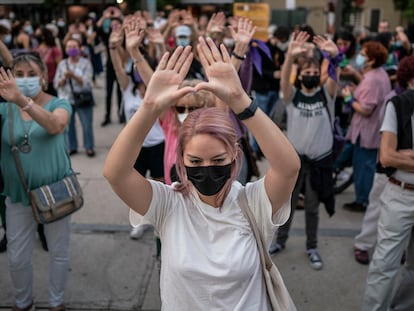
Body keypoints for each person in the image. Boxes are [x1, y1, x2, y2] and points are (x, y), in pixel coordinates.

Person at [103, 37, 300, 309]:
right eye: (195, 161)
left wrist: (241, 100)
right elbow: (116, 173)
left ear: (234, 155)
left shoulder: (252, 202)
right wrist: (150, 106)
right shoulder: (168, 204)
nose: (206, 169)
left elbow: (289, 167)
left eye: (217, 159)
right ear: (181, 160)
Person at [0, 52, 73, 311]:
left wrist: (22, 100)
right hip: (18, 196)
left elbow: (55, 126)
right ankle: (23, 302)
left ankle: (56, 302)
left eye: (31, 74)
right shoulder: (3, 110)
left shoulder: (59, 103)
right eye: (18, 75)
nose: (25, 80)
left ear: (44, 76)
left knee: (59, 251)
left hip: (55, 195)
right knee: (17, 257)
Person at [268, 31, 340, 270]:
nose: (309, 76)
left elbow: (333, 77)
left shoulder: (326, 96)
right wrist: (289, 55)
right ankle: (280, 241)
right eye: (305, 73)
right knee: (285, 205)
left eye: (313, 73)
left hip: (318, 163)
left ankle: (312, 246)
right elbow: (284, 79)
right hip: (294, 163)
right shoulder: (292, 96)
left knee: (312, 207)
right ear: (299, 77)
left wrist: (335, 58)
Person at [353, 55, 414, 265]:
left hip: (399, 167)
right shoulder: (394, 99)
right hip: (386, 167)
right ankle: (363, 244)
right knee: (376, 207)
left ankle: (395, 249)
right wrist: (400, 153)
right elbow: (386, 140)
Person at [108, 18, 165, 239]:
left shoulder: (157, 89)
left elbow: (162, 67)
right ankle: (139, 222)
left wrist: (158, 45)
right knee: (136, 187)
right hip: (136, 147)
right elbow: (116, 67)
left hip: (159, 145)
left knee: (161, 186)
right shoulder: (128, 88)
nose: (136, 72)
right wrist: (114, 46)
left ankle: (161, 223)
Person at [362, 73, 414, 311]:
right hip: (401, 193)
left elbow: (395, 155)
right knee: (385, 263)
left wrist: (405, 156)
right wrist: (398, 156)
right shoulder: (399, 104)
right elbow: (387, 157)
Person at [342, 41, 391, 212]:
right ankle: (363, 198)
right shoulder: (379, 74)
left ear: (371, 60)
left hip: (366, 131)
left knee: (363, 167)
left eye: (363, 54)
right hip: (372, 130)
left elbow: (365, 109)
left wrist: (349, 98)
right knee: (365, 165)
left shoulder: (373, 79)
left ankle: (362, 200)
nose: (360, 57)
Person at [54, 38, 95, 157]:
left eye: (74, 46)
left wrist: (73, 76)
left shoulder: (86, 63)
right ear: (65, 49)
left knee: (86, 124)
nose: (72, 49)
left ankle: (89, 147)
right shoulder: (62, 64)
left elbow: (88, 83)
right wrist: (63, 80)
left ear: (79, 48)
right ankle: (72, 147)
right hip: (67, 99)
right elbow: (56, 84)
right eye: (69, 47)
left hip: (83, 98)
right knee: (69, 125)